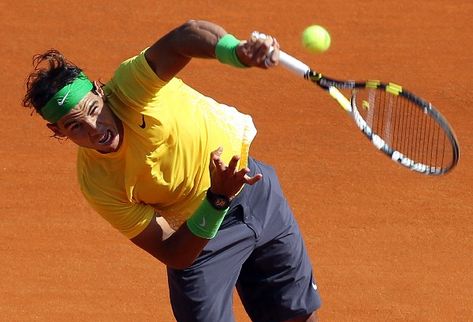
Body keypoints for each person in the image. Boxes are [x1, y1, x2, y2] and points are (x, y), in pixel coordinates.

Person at [23, 20, 321, 322]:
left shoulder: (132, 85)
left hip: (258, 193)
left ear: (100, 91)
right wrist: (217, 199)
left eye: (92, 109)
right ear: (57, 131)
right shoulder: (98, 182)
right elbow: (173, 252)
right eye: (75, 126)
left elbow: (185, 36)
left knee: (296, 315)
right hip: (199, 236)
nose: (94, 129)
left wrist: (237, 52)